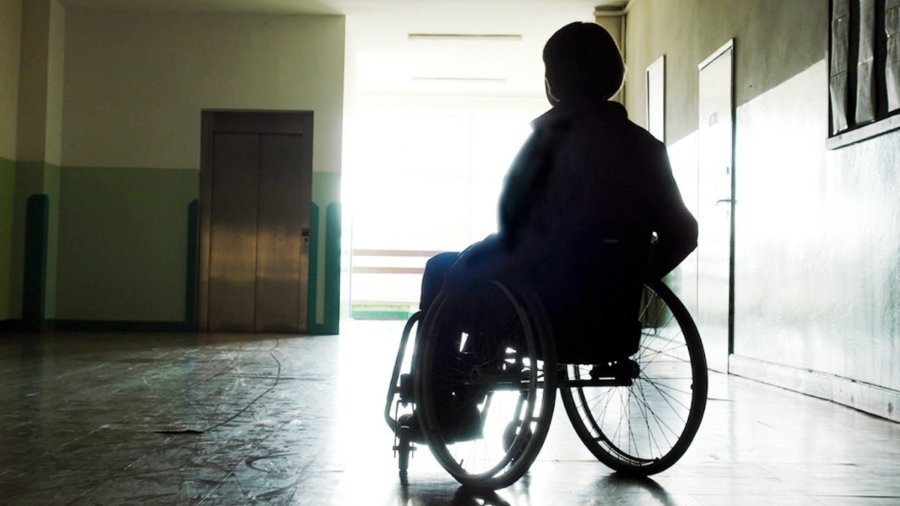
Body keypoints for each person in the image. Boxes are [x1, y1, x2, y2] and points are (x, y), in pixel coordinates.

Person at [419, 22, 698, 364]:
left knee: (442, 268)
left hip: (539, 320)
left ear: (552, 82)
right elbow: (684, 233)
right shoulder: (647, 149)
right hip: (610, 326)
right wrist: (630, 274)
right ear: (616, 75)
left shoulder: (546, 143)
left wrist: (468, 262)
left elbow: (518, 236)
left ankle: (443, 400)